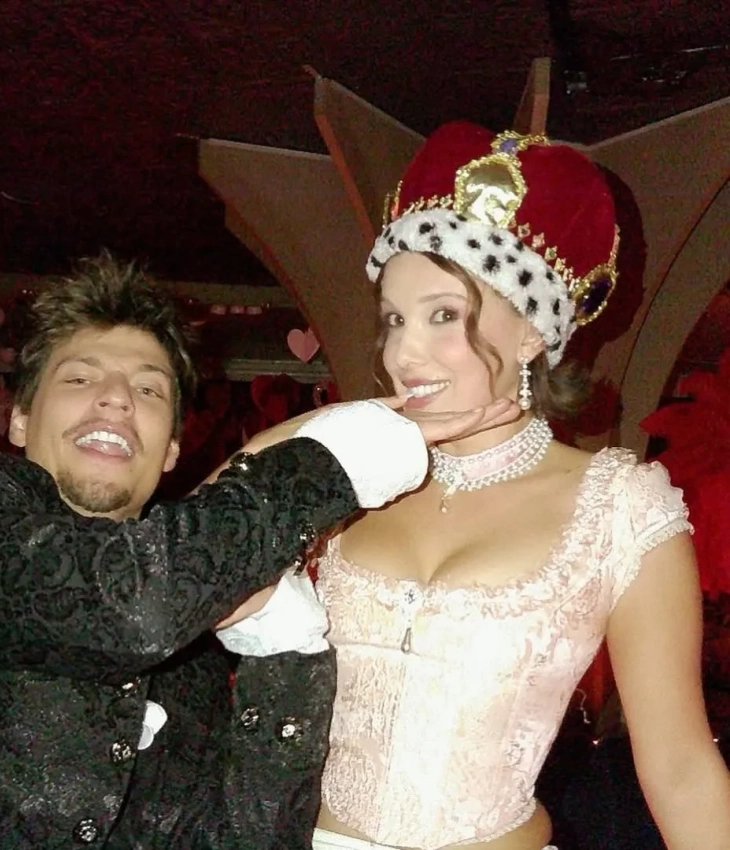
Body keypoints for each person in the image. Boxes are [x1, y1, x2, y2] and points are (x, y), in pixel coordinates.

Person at [0, 253, 517, 849]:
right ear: (19, 417)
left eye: (149, 390)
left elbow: (249, 838)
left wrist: (282, 648)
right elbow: (123, 605)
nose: (116, 397)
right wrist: (330, 463)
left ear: (172, 450)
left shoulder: (190, 656)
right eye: (79, 377)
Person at [310, 122, 730, 850]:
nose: (404, 351)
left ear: (532, 331)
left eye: (445, 315)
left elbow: (681, 770)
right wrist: (306, 439)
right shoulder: (350, 478)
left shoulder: (621, 507)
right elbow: (185, 575)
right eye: (394, 319)